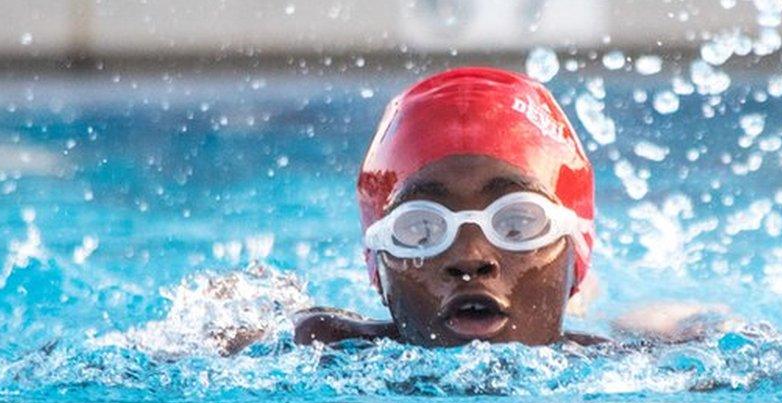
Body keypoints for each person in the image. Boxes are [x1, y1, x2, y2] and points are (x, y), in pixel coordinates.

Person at [290, 67, 724, 349]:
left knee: (645, 322)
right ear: (378, 268)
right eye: (422, 229)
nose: (470, 258)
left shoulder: (637, 364)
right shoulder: (319, 347)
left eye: (517, 224)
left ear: (577, 254)